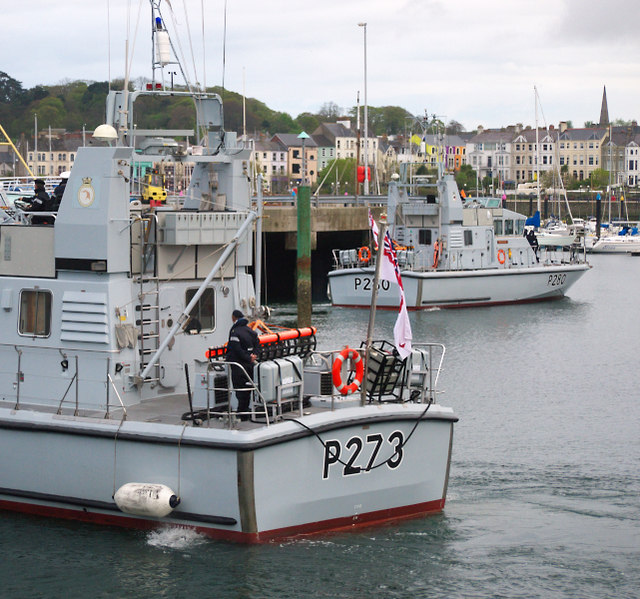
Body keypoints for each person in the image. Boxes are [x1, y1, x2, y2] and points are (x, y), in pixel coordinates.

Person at [225, 309, 259, 420]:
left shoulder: (235, 332)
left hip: (238, 365)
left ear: (234, 317)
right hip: (250, 365)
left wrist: (247, 357)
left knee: (240, 389)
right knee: (248, 388)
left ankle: (242, 413)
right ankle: (246, 411)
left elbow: (236, 349)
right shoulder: (251, 331)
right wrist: (254, 356)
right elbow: (257, 344)